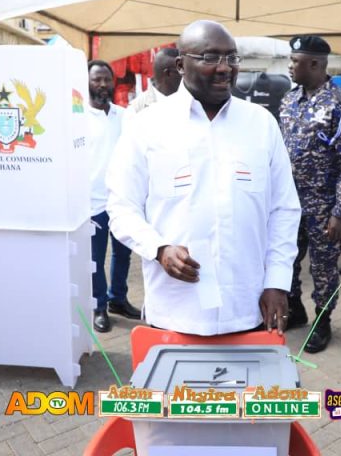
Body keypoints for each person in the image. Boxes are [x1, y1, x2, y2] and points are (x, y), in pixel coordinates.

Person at [106, 20, 301, 336]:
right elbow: (121, 208)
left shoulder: (261, 124)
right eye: (210, 58)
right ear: (181, 65)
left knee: (243, 387)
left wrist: (278, 282)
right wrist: (158, 248)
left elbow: (284, 210)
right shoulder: (147, 126)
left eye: (231, 57)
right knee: (175, 387)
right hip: (175, 311)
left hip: (246, 308)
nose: (225, 68)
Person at [279, 35, 341, 352]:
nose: (290, 66)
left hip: (323, 205)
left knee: (323, 267)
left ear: (314, 64)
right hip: (289, 204)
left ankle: (322, 320)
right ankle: (296, 309)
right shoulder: (289, 100)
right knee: (286, 258)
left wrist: (340, 212)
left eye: (294, 61)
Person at [86, 60, 139, 333]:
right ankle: (99, 306)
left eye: (107, 79)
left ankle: (118, 298)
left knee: (123, 253)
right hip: (92, 203)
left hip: (122, 199)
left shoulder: (124, 116)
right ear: (87, 82)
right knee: (95, 258)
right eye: (97, 80)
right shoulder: (77, 117)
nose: (103, 85)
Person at [126, 47, 181, 115]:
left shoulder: (192, 101)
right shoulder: (136, 109)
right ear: (168, 73)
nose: (187, 75)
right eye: (181, 70)